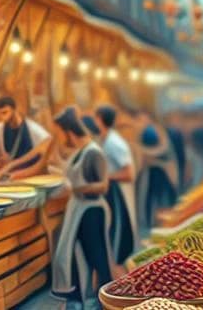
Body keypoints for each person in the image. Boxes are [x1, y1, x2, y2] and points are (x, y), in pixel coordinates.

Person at [50, 107, 114, 306]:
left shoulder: (94, 153)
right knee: (76, 253)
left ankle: (107, 298)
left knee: (97, 257)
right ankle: (79, 293)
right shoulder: (80, 151)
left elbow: (103, 185)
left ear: (69, 131)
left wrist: (77, 189)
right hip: (80, 210)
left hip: (91, 212)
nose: (60, 138)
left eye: (60, 133)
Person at [95, 105, 137, 264]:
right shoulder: (105, 139)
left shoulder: (114, 143)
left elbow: (129, 174)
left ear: (100, 120)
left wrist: (106, 177)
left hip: (116, 194)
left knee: (117, 236)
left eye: (95, 118)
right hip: (109, 192)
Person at [0, 96, 53, 182]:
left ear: (14, 110)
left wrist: (10, 172)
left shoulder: (33, 129)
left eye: (4, 113)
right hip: (10, 176)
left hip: (33, 177)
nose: (1, 117)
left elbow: (45, 159)